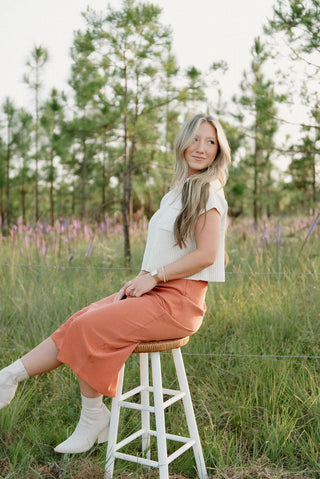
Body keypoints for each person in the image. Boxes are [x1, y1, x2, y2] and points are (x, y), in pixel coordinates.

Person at [0, 112, 231, 454]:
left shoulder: (208, 190)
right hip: (158, 292)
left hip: (177, 302)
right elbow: (205, 251)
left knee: (91, 326)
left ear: (219, 150)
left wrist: (156, 276)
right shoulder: (180, 191)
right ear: (182, 143)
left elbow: (209, 255)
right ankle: (9, 376)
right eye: (195, 139)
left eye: (210, 142)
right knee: (80, 319)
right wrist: (146, 276)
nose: (201, 148)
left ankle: (94, 417)